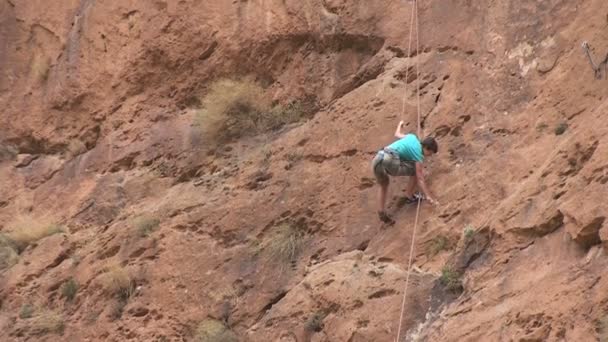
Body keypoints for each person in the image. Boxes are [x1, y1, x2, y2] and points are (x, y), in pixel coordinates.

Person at [371, 120, 439, 223]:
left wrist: (400, 124)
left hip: (378, 158)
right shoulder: (419, 155)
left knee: (383, 185)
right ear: (426, 148)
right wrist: (428, 196)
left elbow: (397, 134)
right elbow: (420, 178)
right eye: (430, 153)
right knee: (415, 171)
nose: (429, 156)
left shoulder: (412, 137)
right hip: (390, 159)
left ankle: (381, 212)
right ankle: (409, 195)